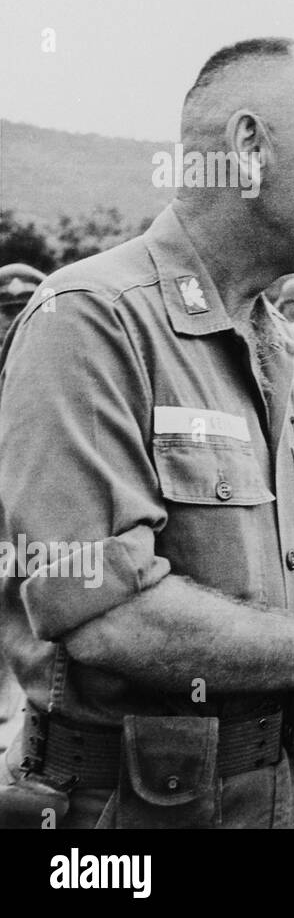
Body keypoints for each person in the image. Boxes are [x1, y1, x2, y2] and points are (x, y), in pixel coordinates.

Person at [0, 37, 294, 829]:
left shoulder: (274, 337)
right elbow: (99, 609)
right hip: (119, 810)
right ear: (248, 146)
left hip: (267, 790)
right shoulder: (90, 318)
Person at [0, 264, 46, 753]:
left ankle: (14, 692)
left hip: (26, 485)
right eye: (5, 309)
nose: (10, 319)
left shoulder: (50, 352)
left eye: (20, 308)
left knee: (20, 585)